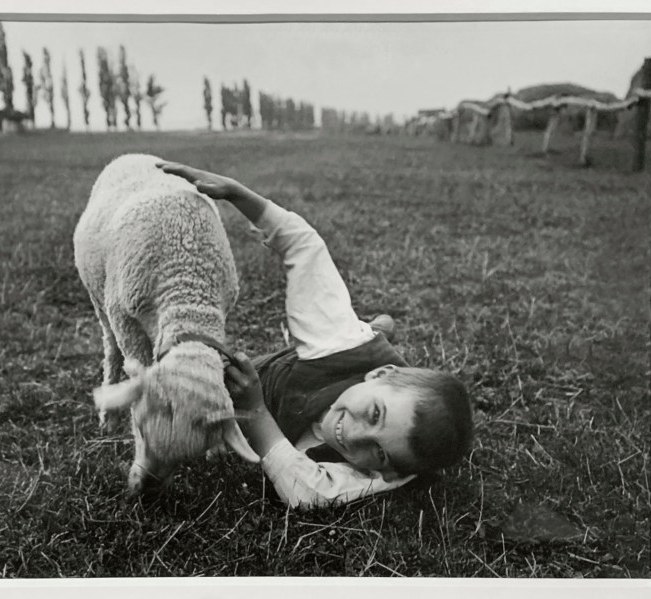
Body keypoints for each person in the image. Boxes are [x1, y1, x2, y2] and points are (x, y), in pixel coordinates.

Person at [156, 161, 473, 509]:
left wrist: (256, 411)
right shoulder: (342, 344)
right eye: (374, 415)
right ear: (380, 375)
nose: (353, 436)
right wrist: (235, 192)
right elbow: (306, 248)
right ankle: (377, 330)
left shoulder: (392, 473)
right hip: (314, 363)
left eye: (378, 452)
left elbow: (306, 494)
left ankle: (379, 330)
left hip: (298, 388)